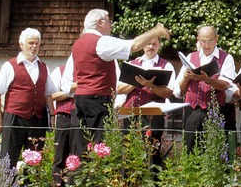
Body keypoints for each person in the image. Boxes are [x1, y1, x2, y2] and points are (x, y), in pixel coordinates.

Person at [61, 9, 171, 156]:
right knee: (99, 147)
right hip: (97, 100)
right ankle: (95, 177)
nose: (111, 26)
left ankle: (78, 177)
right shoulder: (101, 41)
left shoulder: (78, 44)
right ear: (100, 23)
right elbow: (134, 45)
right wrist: (155, 31)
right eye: (108, 21)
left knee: (82, 148)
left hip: (80, 100)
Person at [0, 28, 57, 168]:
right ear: (22, 45)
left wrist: (52, 115)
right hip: (15, 117)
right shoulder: (10, 66)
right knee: (8, 159)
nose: (34, 46)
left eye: (37, 43)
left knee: (35, 161)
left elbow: (47, 94)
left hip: (37, 120)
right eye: (30, 43)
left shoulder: (44, 67)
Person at [117, 36, 176, 178]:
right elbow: (119, 89)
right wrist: (137, 82)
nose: (150, 47)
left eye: (154, 44)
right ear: (143, 46)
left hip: (154, 115)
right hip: (130, 114)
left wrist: (151, 86)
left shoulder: (166, 66)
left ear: (159, 46)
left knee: (152, 153)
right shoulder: (132, 64)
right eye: (148, 44)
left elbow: (168, 92)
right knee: (128, 152)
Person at [174, 25, 235, 151]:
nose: (206, 45)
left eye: (210, 41)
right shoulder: (191, 57)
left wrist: (207, 79)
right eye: (203, 41)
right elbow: (180, 91)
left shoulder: (226, 58)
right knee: (190, 147)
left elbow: (226, 84)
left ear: (216, 39)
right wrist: (186, 77)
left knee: (214, 149)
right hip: (192, 111)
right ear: (198, 40)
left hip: (215, 110)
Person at [50, 63, 75, 187]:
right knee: (60, 156)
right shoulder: (60, 71)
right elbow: (52, 95)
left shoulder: (89, 70)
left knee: (77, 156)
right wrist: (72, 91)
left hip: (82, 118)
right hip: (64, 117)